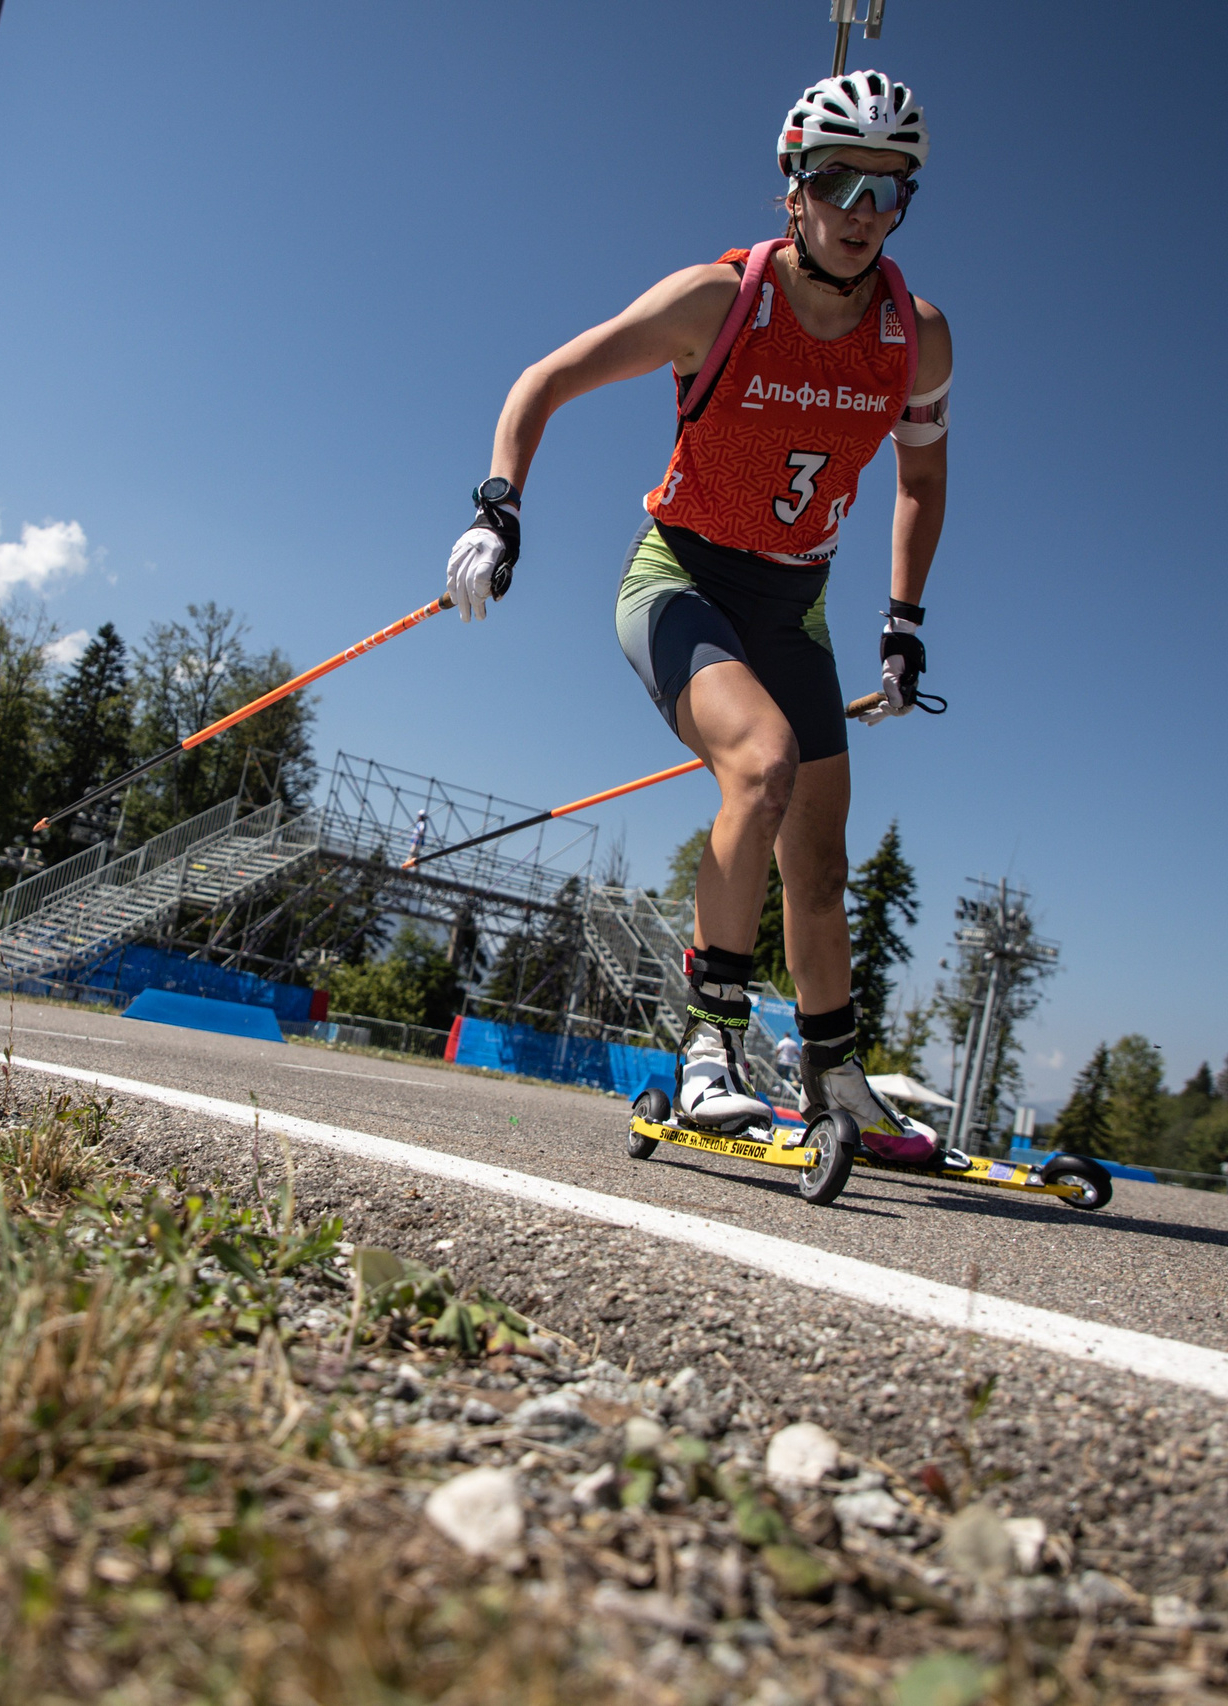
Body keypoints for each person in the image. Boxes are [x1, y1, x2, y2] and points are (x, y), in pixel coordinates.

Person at [444, 71, 949, 1161]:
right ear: (792, 189)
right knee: (760, 766)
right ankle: (709, 1045)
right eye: (836, 180)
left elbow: (920, 481)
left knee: (819, 863)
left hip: (794, 607)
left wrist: (901, 624)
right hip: (678, 580)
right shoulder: (718, 303)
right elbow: (544, 379)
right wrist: (498, 510)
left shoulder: (917, 337)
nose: (860, 211)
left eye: (887, 187)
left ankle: (838, 1078)